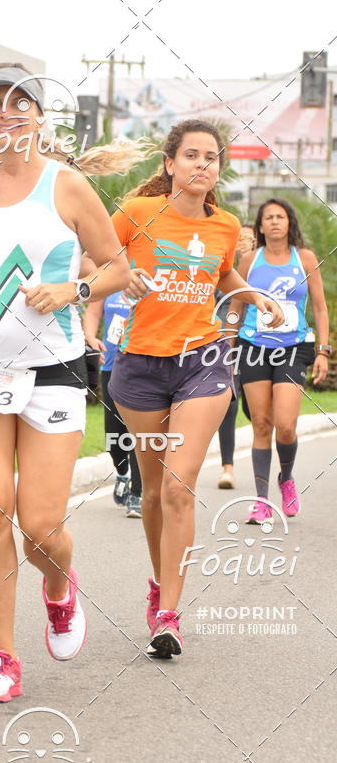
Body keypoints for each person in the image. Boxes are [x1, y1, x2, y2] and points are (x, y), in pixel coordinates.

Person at [0, 63, 132, 701]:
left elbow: (120, 268)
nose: (5, 114)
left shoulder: (68, 188)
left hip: (54, 372)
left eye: (19, 103)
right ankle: (2, 657)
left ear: (40, 115)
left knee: (38, 524)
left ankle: (60, 587)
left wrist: (74, 288)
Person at [108, 119, 284, 658]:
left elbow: (222, 273)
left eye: (211, 157)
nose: (202, 164)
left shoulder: (226, 225)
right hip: (139, 366)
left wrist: (252, 295)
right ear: (170, 164)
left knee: (180, 485)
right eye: (191, 155)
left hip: (203, 362)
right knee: (155, 490)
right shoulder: (136, 214)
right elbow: (96, 255)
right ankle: (160, 582)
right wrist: (120, 275)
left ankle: (169, 614)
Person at [233, 198, 330, 524]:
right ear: (260, 226)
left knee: (285, 426)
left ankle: (285, 478)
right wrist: (227, 344)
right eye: (268, 217)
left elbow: (319, 307)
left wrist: (323, 349)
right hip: (253, 346)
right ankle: (261, 501)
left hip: (292, 347)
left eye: (281, 216)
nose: (275, 222)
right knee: (261, 424)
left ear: (289, 223)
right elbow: (238, 304)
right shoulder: (249, 259)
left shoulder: (305, 259)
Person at [83, 291, 143, 516]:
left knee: (138, 434)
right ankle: (122, 472)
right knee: (114, 436)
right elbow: (92, 311)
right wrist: (90, 337)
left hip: (140, 367)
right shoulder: (111, 278)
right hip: (111, 366)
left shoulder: (150, 277)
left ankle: (137, 494)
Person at [216, 224, 255, 489]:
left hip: (257, 344)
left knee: (253, 409)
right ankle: (227, 468)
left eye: (249, 240)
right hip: (224, 343)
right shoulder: (220, 271)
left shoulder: (260, 271)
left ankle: (265, 450)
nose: (243, 244)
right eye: (239, 240)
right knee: (228, 403)